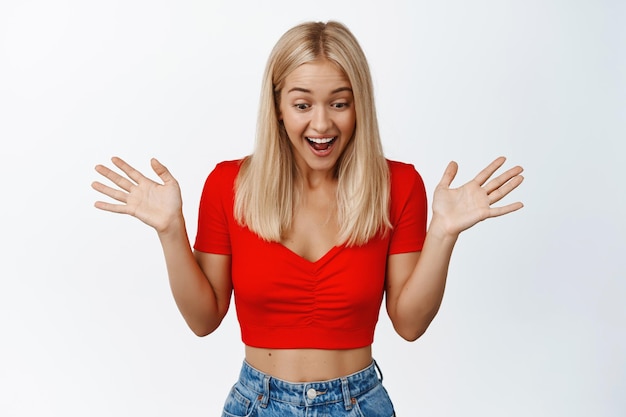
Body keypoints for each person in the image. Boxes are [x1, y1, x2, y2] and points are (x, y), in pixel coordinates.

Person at [92, 20, 523, 417]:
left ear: (360, 106)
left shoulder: (398, 185)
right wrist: (170, 231)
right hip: (257, 403)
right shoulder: (228, 185)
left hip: (358, 403)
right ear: (278, 105)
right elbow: (203, 320)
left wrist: (444, 233)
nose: (322, 123)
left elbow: (410, 325)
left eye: (339, 103)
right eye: (302, 104)